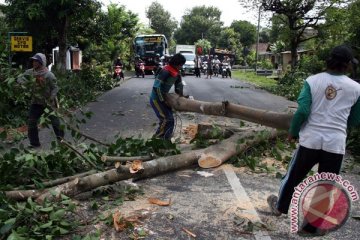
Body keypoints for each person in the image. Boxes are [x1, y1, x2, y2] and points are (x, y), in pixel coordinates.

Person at [266, 45, 360, 235]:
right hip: (335, 144)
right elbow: (355, 119)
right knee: (325, 186)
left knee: (293, 177)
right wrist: (342, 129)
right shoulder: (357, 88)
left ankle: (280, 207)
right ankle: (310, 227)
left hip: (310, 141)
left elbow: (302, 111)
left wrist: (293, 131)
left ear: (329, 60)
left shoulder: (312, 81)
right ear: (348, 65)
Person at [17, 53, 64, 148]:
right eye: (33, 61)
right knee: (31, 122)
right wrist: (20, 83)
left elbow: (55, 88)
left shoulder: (49, 75)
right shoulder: (30, 72)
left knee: (55, 122)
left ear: (41, 62)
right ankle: (34, 143)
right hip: (36, 102)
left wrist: (51, 98)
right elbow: (20, 79)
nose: (34, 63)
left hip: (49, 103)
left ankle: (61, 141)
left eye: (36, 61)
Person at [149, 53, 186, 140]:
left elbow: (178, 87)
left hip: (164, 98)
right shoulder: (165, 71)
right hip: (156, 99)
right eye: (181, 65)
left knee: (170, 119)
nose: (181, 66)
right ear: (176, 63)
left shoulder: (177, 73)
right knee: (166, 119)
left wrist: (181, 97)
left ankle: (166, 139)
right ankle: (157, 140)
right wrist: (162, 100)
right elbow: (156, 87)